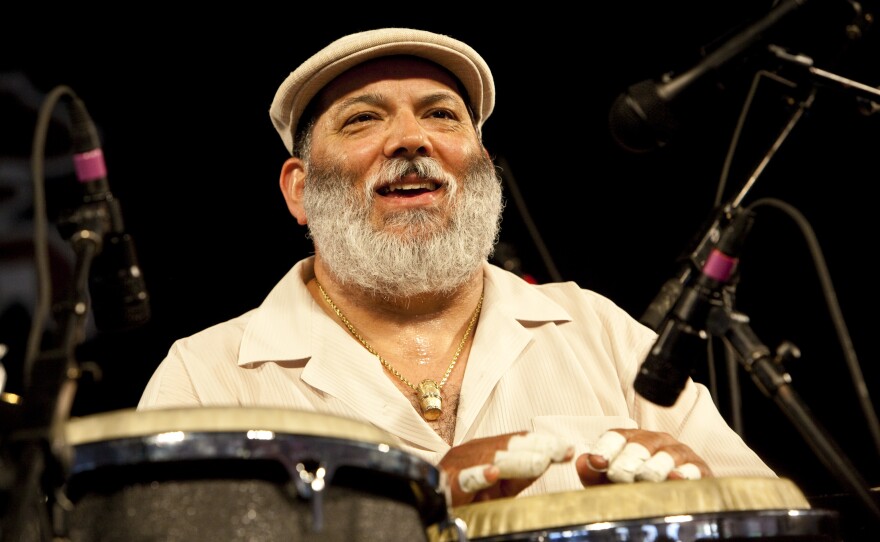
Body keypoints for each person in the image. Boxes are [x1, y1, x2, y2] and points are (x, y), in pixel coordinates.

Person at [137, 27, 776, 508]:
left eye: (441, 114)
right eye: (363, 119)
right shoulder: (207, 378)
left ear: (482, 168)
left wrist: (700, 493)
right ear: (300, 190)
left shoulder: (599, 332)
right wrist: (412, 511)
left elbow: (769, 515)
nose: (412, 140)